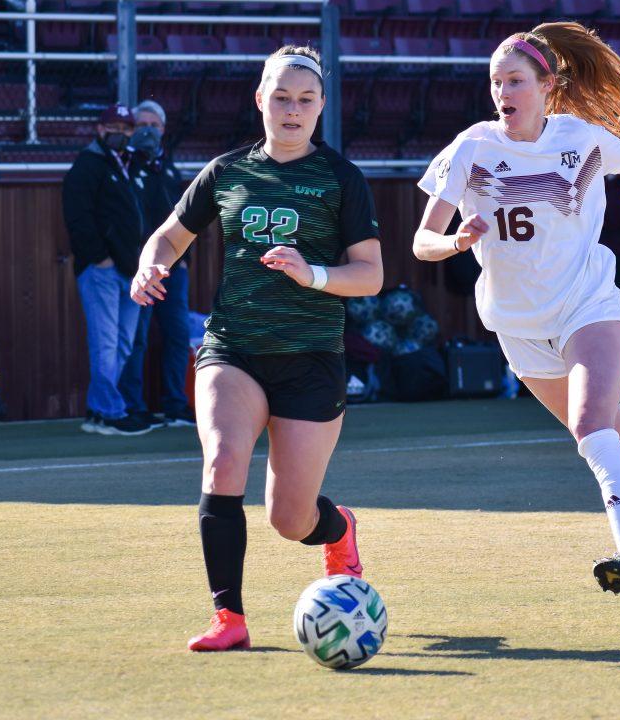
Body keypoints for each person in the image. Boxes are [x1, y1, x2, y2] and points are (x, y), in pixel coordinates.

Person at [412, 23, 620, 615]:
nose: (503, 92)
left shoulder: (579, 138)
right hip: (518, 327)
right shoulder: (470, 147)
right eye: (496, 82)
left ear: (547, 85)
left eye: (515, 80)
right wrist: (453, 244)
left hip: (587, 306)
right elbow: (421, 241)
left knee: (590, 427)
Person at [130, 46, 383, 651]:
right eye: (280, 98)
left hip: (311, 359)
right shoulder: (225, 171)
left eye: (304, 99)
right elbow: (168, 236)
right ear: (260, 100)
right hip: (232, 349)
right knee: (221, 465)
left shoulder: (341, 178)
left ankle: (337, 528)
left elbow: (369, 275)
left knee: (290, 519)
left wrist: (312, 274)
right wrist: (150, 265)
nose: (292, 110)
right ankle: (230, 620)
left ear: (321, 105)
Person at [62, 103, 154, 436]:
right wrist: (100, 257)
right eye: (114, 126)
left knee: (123, 343)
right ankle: (109, 411)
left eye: (127, 128)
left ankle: (99, 411)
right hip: (103, 269)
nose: (122, 133)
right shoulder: (88, 165)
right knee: (106, 343)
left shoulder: (125, 164)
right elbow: (78, 216)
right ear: (100, 130)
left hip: (130, 270)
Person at [117, 99, 198, 428]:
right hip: (138, 267)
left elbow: (182, 217)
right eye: (141, 125)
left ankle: (175, 404)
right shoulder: (124, 165)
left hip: (173, 269)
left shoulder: (167, 166)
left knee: (177, 334)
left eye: (154, 125)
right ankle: (133, 405)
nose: (148, 131)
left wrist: (183, 259)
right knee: (136, 337)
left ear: (163, 130)